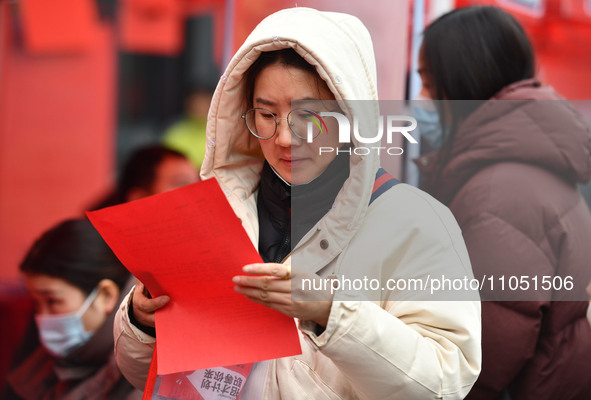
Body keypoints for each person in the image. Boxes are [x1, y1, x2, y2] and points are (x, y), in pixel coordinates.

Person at [114, 7, 481, 399]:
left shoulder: (415, 222)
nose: (286, 138)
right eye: (267, 114)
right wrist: (141, 319)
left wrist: (332, 312)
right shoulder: (215, 211)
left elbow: (445, 381)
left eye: (308, 115)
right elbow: (143, 374)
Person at [415, 6, 591, 400]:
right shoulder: (525, 163)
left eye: (429, 83)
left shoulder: (497, 193)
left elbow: (483, 357)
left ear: (463, 82)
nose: (419, 99)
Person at [4, 219, 142, 400]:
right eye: (36, 303)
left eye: (52, 301)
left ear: (105, 296)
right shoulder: (41, 368)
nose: (41, 318)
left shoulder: (143, 372)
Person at [91, 144, 200, 209]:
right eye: (182, 183)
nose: (196, 193)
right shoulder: (94, 243)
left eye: (198, 183)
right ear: (139, 199)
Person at [161, 86, 213, 169]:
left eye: (205, 100)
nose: (200, 105)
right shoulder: (175, 133)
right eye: (196, 100)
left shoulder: (223, 133)